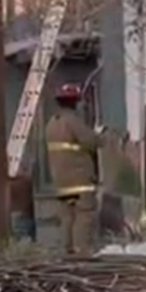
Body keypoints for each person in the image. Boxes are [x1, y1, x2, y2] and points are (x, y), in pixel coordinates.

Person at [44, 83, 104, 255]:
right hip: (80, 179)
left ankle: (67, 251)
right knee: (84, 215)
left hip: (61, 181)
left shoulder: (52, 123)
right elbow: (91, 142)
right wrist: (101, 135)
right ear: (75, 102)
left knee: (67, 217)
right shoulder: (73, 121)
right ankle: (81, 252)